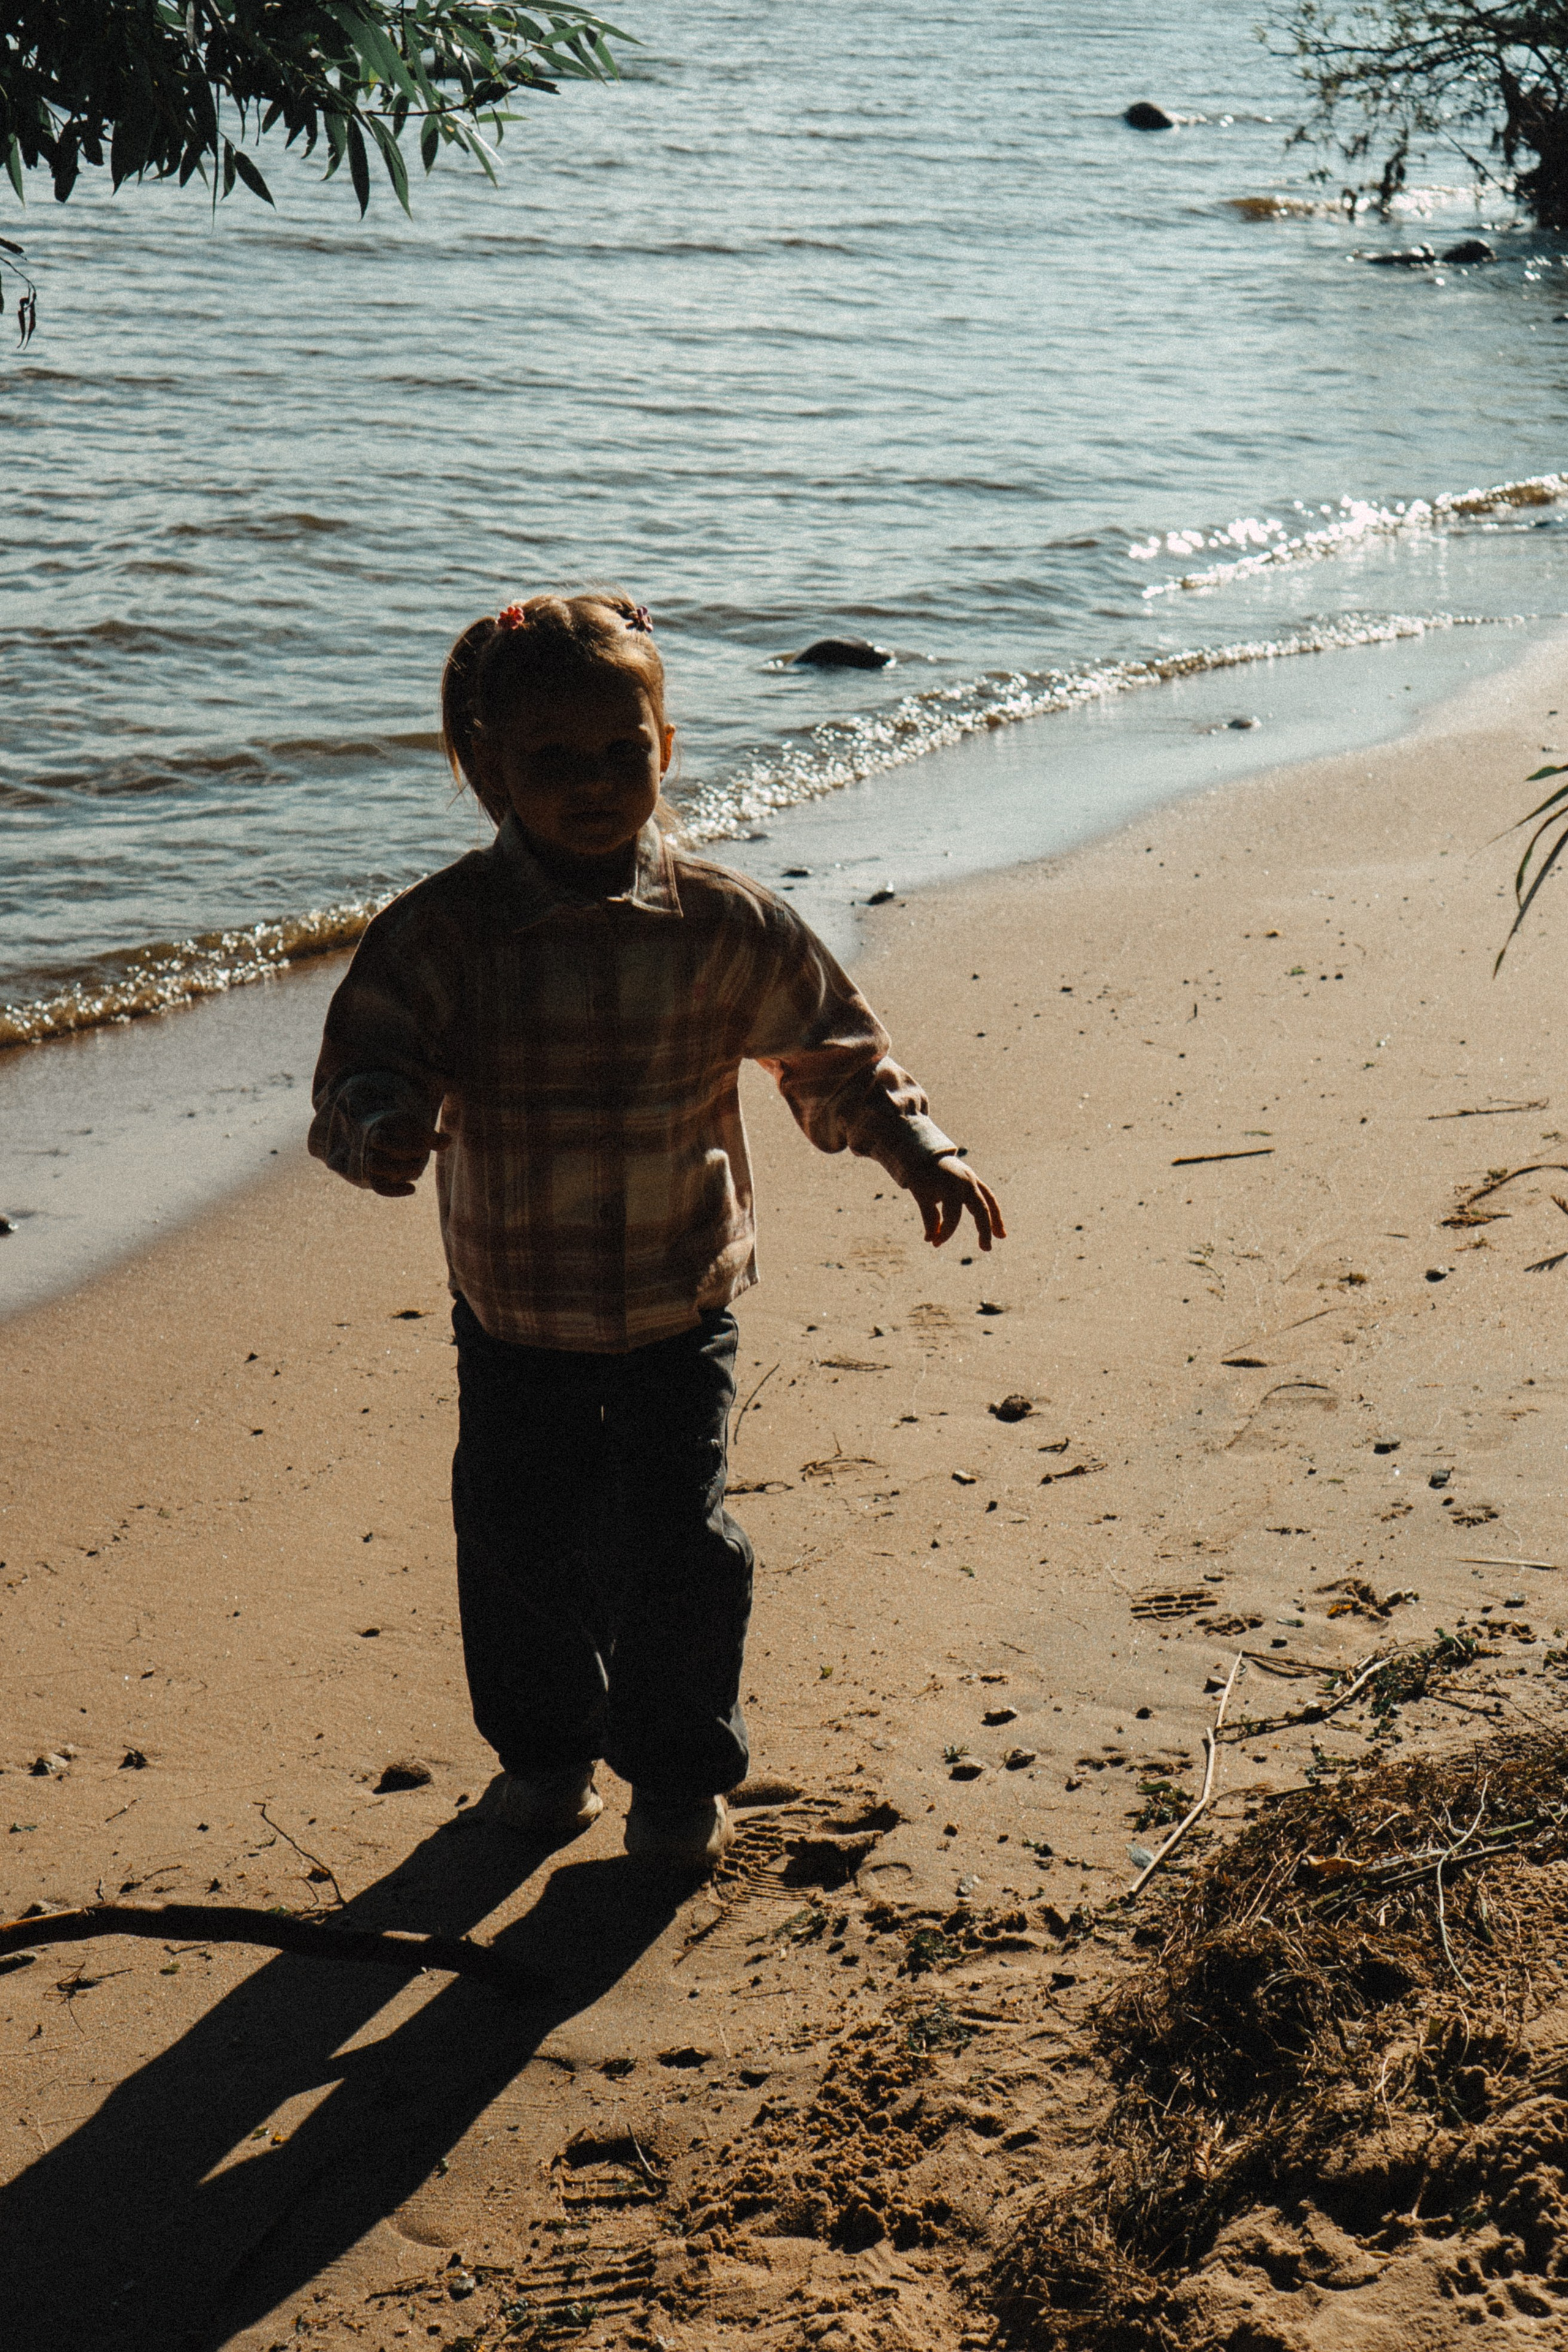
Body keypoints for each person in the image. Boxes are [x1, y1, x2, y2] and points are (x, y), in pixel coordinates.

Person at [309, 591, 1005, 1869]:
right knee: (516, 1543)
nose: (593, 784)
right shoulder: (444, 933)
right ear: (487, 769)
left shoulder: (720, 921)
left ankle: (679, 1776)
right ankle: (545, 1755)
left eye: (621, 752)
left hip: (679, 1303)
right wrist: (381, 1128)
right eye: (552, 762)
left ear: (666, 750)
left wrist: (918, 1145)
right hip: (512, 1313)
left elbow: (830, 1052)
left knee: (676, 1546)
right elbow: (363, 1065)